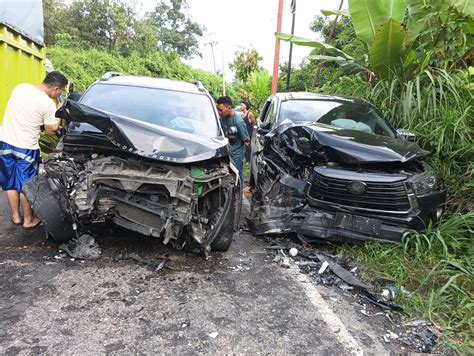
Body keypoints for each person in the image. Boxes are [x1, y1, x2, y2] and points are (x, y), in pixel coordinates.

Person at [0, 71, 68, 228]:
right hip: (25, 147)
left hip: (4, 142)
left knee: (10, 183)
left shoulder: (21, 88)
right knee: (26, 185)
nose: (60, 93)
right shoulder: (47, 103)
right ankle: (28, 220)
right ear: (56, 88)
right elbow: (52, 129)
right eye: (61, 91)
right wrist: (58, 110)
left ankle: (16, 217)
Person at [216, 96, 250, 187]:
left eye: (221, 110)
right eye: (218, 110)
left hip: (236, 154)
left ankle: (239, 197)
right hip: (226, 153)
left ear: (229, 108)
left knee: (237, 176)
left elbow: (246, 140)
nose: (219, 113)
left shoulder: (238, 122)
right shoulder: (222, 118)